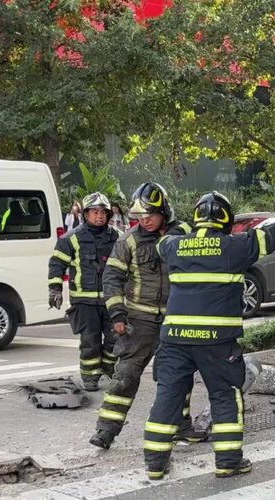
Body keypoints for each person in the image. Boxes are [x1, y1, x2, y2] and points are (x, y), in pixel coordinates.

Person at [143, 190, 275, 480]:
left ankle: (155, 465)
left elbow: (162, 242)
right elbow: (274, 233)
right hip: (216, 342)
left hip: (174, 339)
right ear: (226, 220)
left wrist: (180, 225)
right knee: (224, 396)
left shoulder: (172, 246)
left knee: (167, 397)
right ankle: (228, 462)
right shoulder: (236, 247)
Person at [89, 182, 205, 450]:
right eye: (140, 216)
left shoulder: (184, 234)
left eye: (150, 214)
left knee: (177, 376)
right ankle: (105, 431)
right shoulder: (128, 240)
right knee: (126, 375)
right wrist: (117, 314)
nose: (145, 220)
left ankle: (181, 426)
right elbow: (112, 278)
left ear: (165, 210)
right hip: (138, 322)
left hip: (175, 320)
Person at [48, 193, 120, 391]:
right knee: (90, 341)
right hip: (83, 301)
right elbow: (56, 265)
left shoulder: (117, 237)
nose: (99, 217)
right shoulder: (70, 239)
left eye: (103, 213)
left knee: (115, 339)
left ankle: (108, 366)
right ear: (86, 214)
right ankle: (90, 377)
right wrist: (54, 290)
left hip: (111, 299)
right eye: (95, 212)